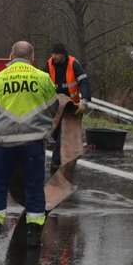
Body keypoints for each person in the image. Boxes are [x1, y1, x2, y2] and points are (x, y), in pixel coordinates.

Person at [0, 41, 58, 249]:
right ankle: (33, 235)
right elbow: (54, 108)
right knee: (34, 187)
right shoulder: (42, 78)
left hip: (4, 143)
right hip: (32, 143)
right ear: (32, 58)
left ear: (10, 56)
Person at [45, 42, 91, 176]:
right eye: (52, 54)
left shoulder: (73, 64)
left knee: (63, 136)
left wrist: (84, 101)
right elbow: (41, 83)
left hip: (72, 107)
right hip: (55, 106)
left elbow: (84, 82)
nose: (54, 57)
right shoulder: (48, 65)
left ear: (63, 54)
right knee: (57, 135)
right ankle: (60, 163)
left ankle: (56, 166)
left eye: (57, 54)